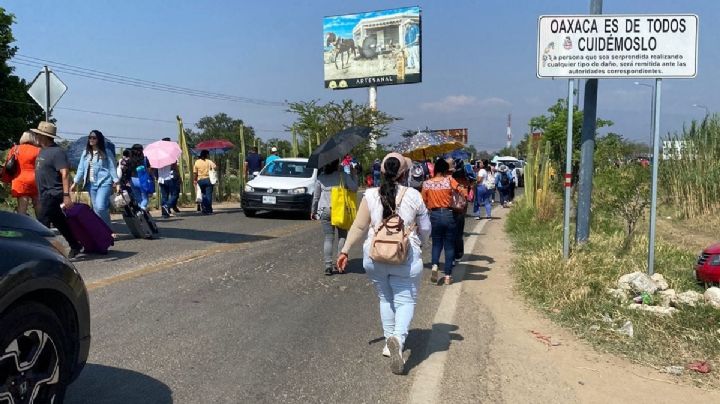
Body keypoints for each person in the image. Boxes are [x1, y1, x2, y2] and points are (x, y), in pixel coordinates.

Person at [336, 153, 431, 375]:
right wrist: (421, 243)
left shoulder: (370, 195)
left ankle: (389, 343)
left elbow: (359, 227)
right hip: (405, 256)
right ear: (405, 173)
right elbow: (425, 228)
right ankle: (398, 338)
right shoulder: (414, 196)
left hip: (374, 255)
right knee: (405, 299)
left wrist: (345, 250)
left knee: (384, 297)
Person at [32, 121, 82, 258]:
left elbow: (65, 173)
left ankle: (40, 253)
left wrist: (66, 195)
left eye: (38, 134)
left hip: (53, 193)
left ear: (45, 136)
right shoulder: (43, 150)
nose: (36, 136)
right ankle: (75, 244)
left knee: (41, 223)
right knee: (60, 222)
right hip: (44, 193)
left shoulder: (57, 152)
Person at [421, 158, 467, 286]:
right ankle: (447, 276)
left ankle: (435, 265)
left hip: (434, 215)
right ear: (445, 170)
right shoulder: (449, 180)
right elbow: (463, 192)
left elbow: (423, 200)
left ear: (435, 169)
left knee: (436, 244)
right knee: (449, 246)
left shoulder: (427, 183)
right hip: (448, 214)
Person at [311, 159, 358, 276]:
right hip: (341, 211)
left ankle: (328, 265)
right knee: (342, 236)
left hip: (325, 211)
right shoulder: (343, 176)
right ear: (337, 164)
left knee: (328, 238)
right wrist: (353, 174)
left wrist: (313, 211)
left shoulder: (321, 178)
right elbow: (354, 188)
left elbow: (316, 197)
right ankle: (340, 263)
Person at [71, 130, 121, 231]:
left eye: (94, 138)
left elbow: (112, 167)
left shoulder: (106, 152)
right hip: (91, 184)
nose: (91, 139)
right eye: (90, 137)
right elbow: (81, 169)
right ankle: (101, 230)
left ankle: (108, 229)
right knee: (96, 209)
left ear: (99, 139)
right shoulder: (85, 153)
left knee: (101, 206)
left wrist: (117, 182)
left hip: (104, 183)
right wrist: (75, 182)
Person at [10, 131, 41, 216]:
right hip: (35, 179)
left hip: (19, 179)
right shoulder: (38, 150)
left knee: (22, 205)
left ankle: (22, 226)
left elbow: (8, 166)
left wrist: (6, 179)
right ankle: (43, 224)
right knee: (37, 203)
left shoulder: (15, 149)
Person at [155, 137, 180, 218]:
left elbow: (154, 168)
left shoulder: (157, 154)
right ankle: (167, 206)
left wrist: (156, 176)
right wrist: (178, 175)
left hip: (161, 178)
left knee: (164, 196)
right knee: (174, 194)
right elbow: (174, 166)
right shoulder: (170, 153)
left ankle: (164, 213)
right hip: (169, 177)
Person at [122, 144, 152, 210]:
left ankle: (140, 212)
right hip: (142, 180)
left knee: (138, 198)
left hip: (132, 180)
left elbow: (126, 170)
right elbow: (149, 170)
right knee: (145, 199)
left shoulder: (129, 160)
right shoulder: (144, 159)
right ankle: (142, 209)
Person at [193, 149, 217, 215]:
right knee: (209, 195)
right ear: (206, 155)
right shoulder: (209, 161)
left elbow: (195, 172)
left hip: (200, 180)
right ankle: (209, 209)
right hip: (208, 179)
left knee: (203, 195)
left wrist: (195, 180)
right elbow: (215, 167)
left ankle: (204, 208)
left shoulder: (197, 162)